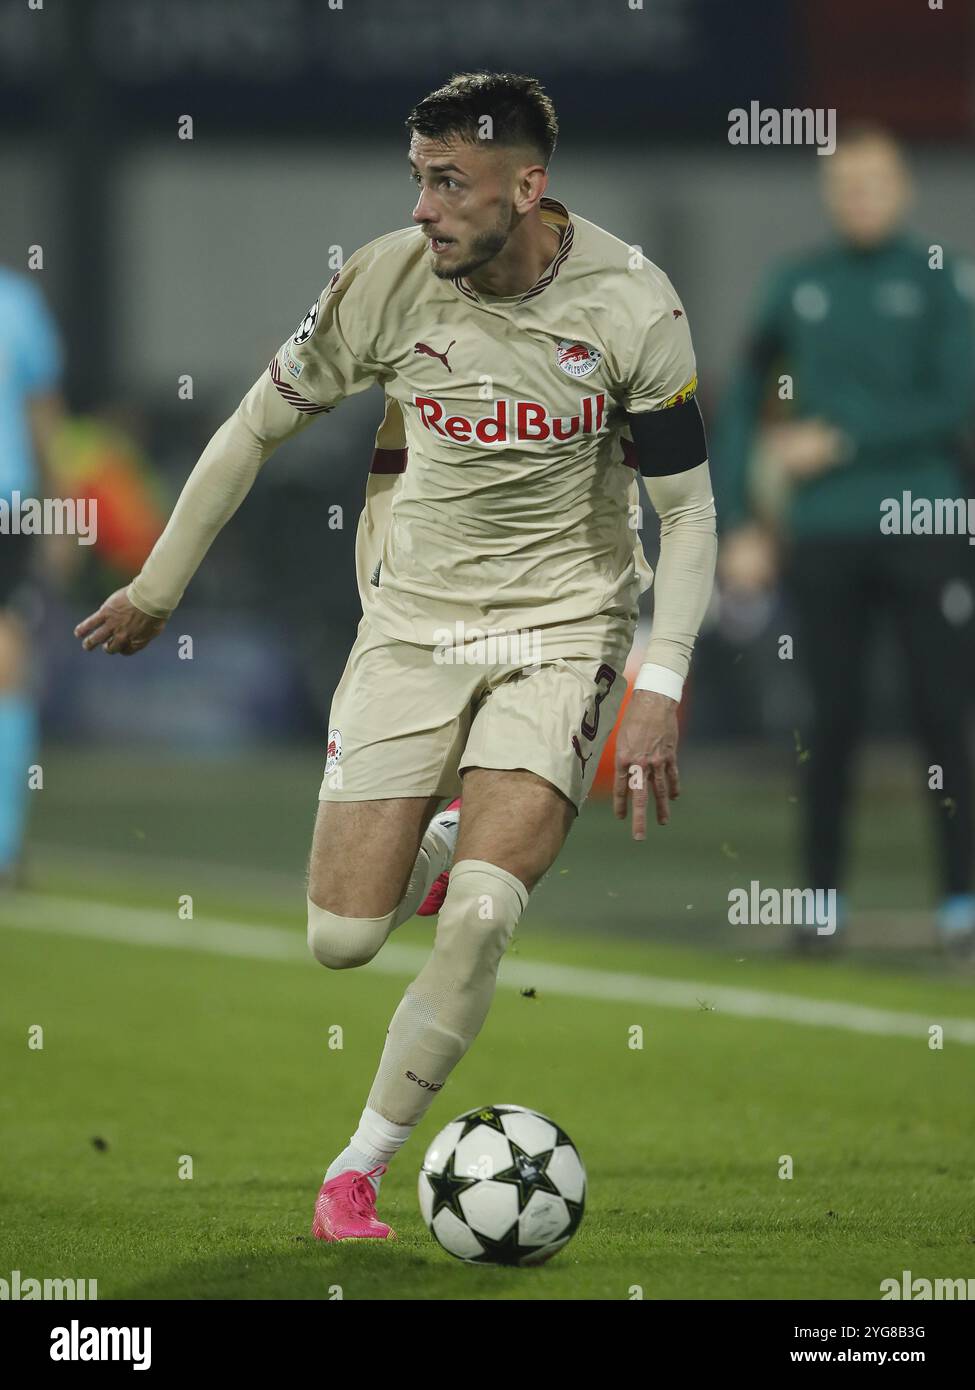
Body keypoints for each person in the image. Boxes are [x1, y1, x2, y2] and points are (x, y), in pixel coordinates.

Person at [75, 73, 717, 1241]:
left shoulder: (635, 307)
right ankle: (429, 839)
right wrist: (157, 586)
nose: (423, 208)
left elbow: (692, 513)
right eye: (417, 178)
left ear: (529, 188)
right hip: (413, 623)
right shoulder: (382, 280)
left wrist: (658, 683)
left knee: (479, 916)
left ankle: (356, 1171)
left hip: (565, 630)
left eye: (448, 182)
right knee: (340, 940)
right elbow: (251, 427)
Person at [714, 123, 975, 952]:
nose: (861, 197)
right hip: (821, 533)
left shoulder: (942, 279)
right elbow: (739, 400)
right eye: (847, 183)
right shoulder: (795, 284)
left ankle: (962, 899)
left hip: (926, 525)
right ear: (830, 193)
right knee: (828, 720)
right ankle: (819, 903)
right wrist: (742, 521)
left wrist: (845, 437)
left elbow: (957, 400)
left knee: (944, 714)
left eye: (876, 183)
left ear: (902, 190)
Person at [0, 267, 64, 886]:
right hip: (8, 500)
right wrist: (63, 512)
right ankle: (4, 844)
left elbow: (42, 416)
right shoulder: (16, 302)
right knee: (7, 661)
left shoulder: (17, 301)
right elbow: (43, 417)